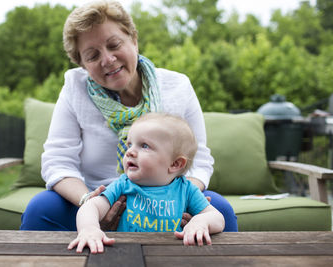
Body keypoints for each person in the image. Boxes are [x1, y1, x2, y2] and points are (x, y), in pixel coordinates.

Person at [20, 0, 237, 232]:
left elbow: (199, 160)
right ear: (82, 65)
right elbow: (58, 162)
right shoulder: (75, 87)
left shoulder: (177, 86)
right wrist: (91, 205)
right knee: (41, 208)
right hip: (97, 198)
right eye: (92, 56)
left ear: (134, 39)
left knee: (220, 210)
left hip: (166, 199)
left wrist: (179, 201)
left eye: (114, 45)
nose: (107, 59)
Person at [68, 113, 225, 253]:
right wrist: (89, 229)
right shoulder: (123, 184)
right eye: (129, 144)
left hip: (172, 255)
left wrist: (200, 221)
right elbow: (91, 206)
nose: (129, 151)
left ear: (175, 164)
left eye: (144, 146)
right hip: (126, 253)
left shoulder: (186, 189)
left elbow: (217, 218)